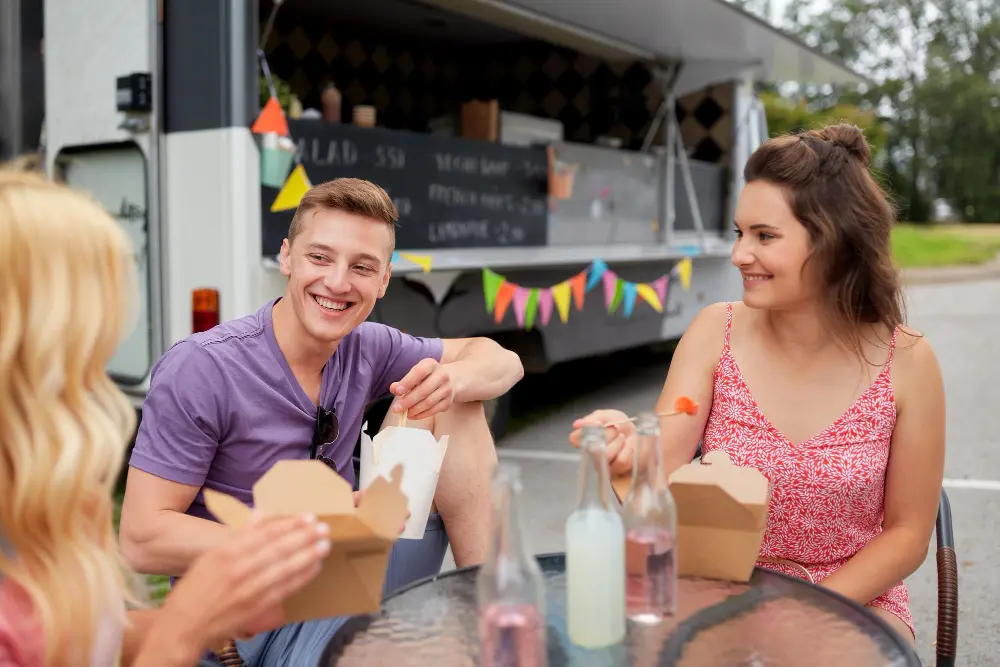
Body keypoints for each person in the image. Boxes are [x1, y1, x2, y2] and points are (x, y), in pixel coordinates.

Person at [118, 177, 523, 665]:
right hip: (247, 623)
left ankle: (493, 616)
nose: (337, 282)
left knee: (453, 396)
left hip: (348, 575)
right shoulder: (202, 368)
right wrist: (308, 537)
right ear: (287, 257)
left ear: (384, 279)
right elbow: (142, 540)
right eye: (320, 257)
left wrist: (453, 381)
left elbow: (502, 361)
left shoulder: (367, 345)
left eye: (361, 267)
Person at [570, 124, 945, 644]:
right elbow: (661, 465)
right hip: (713, 587)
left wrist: (803, 610)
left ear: (835, 240)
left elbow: (908, 534)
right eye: (738, 233)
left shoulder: (908, 361)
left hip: (850, 598)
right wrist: (625, 450)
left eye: (765, 236)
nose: (739, 255)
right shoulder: (713, 331)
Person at [0, 168, 332, 666]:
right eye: (87, 340)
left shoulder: (51, 488)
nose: (108, 351)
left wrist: (210, 616)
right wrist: (180, 630)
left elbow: (74, 638)